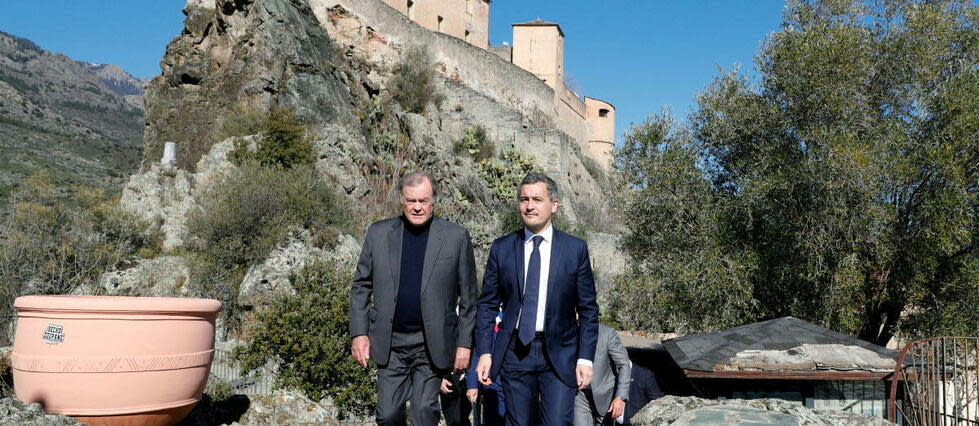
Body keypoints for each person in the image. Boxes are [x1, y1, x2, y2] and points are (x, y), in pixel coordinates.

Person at [349, 171, 478, 425]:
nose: (417, 207)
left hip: (431, 346)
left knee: (424, 412)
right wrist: (359, 333)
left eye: (423, 201)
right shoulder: (378, 234)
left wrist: (464, 345)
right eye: (411, 201)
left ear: (433, 202)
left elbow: (470, 298)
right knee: (387, 415)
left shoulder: (455, 237)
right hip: (391, 344)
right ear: (402, 201)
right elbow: (361, 286)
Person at [474, 172, 600, 425]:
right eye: (524, 199)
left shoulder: (574, 250)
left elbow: (588, 310)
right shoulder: (502, 248)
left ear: (554, 205)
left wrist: (585, 358)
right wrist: (485, 352)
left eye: (537, 199)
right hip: (514, 353)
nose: (529, 206)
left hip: (560, 354)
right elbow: (487, 305)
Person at [574, 323, 631, 426]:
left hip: (606, 397)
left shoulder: (607, 333)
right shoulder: (568, 330)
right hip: (579, 395)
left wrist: (620, 397)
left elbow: (624, 365)